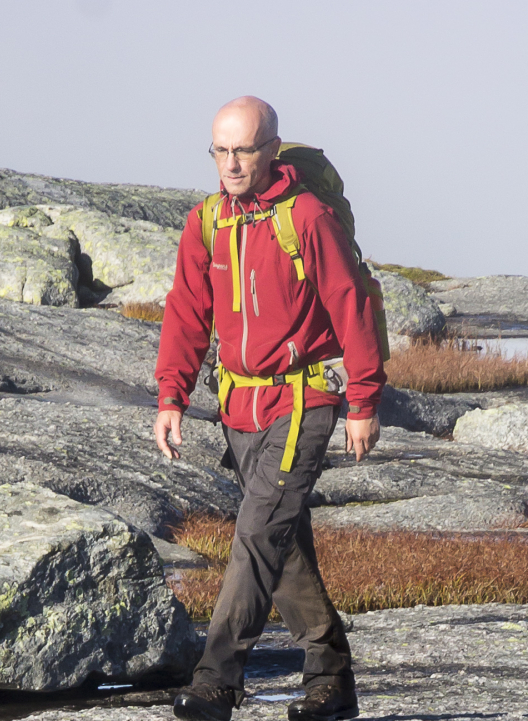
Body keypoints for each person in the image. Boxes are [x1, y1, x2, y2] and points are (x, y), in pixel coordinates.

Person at [153, 96, 386, 721]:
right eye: (220, 151)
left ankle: (216, 683)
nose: (231, 164)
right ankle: (332, 681)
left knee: (257, 537)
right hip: (238, 404)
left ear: (272, 148)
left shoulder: (305, 216)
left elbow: (351, 306)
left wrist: (363, 400)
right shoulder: (206, 221)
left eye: (244, 150)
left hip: (303, 398)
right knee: (283, 550)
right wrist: (171, 394)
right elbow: (186, 311)